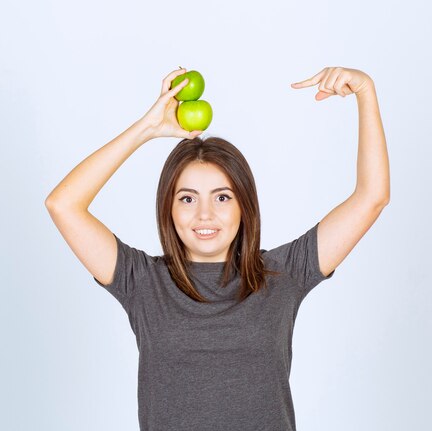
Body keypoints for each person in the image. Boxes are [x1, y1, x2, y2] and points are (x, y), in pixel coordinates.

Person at [45, 66, 390, 431]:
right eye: (187, 198)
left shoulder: (284, 273)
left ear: (244, 205)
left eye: (222, 197)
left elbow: (372, 198)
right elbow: (62, 204)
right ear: (169, 208)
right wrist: (146, 129)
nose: (204, 214)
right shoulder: (142, 281)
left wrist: (366, 92)